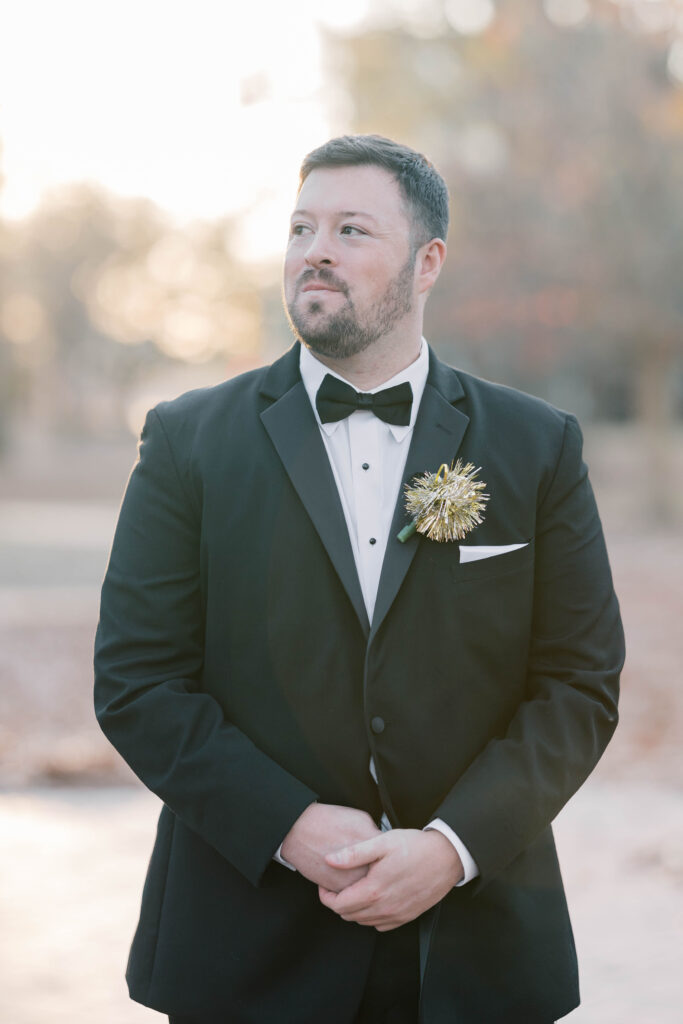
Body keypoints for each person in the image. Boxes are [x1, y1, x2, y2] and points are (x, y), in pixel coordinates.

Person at [94, 134, 624, 1024]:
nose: (315, 251)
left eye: (349, 229)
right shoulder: (188, 440)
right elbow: (138, 682)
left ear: (427, 263)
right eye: (301, 228)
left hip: (475, 947)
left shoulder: (537, 446)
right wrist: (290, 829)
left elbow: (577, 684)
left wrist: (453, 848)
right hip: (244, 943)